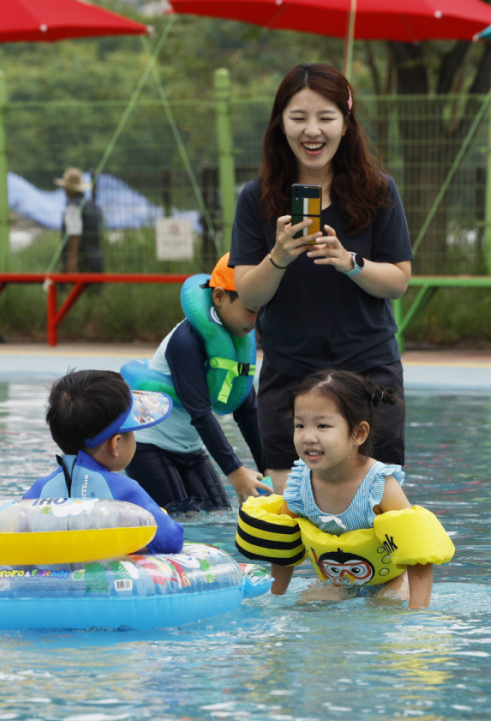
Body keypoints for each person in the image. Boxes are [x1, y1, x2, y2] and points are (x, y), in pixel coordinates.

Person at [229, 64, 413, 495]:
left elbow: (398, 280)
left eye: (326, 117)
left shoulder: (378, 191)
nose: (312, 130)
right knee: (289, 513)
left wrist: (350, 262)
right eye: (298, 118)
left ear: (346, 125)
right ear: (280, 125)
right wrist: (278, 257)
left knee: (378, 512)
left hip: (368, 371)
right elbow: (248, 294)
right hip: (289, 374)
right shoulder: (257, 198)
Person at [266, 370, 453, 609]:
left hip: (391, 581)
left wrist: (418, 616)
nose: (308, 437)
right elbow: (284, 548)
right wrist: (276, 599)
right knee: (310, 606)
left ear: (359, 433)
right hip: (336, 582)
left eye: (323, 425)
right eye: (299, 425)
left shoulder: (378, 485)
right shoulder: (298, 484)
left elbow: (417, 553)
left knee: (386, 605)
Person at [122, 254, 270, 514]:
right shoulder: (185, 342)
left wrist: (268, 470)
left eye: (262, 309)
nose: (256, 320)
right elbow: (199, 411)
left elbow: (247, 411)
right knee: (180, 519)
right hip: (149, 448)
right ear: (220, 296)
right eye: (250, 309)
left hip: (191, 450)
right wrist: (235, 473)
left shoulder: (237, 343)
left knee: (219, 515)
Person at [23, 370, 184, 555]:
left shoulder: (38, 490)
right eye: (131, 432)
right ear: (115, 444)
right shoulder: (125, 490)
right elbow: (172, 540)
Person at [55, 167, 104, 276]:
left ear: (68, 189)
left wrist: (72, 261)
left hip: (81, 264)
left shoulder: (73, 207)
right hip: (96, 260)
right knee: (94, 292)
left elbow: (74, 234)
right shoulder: (92, 206)